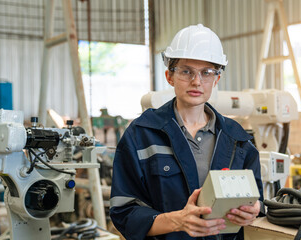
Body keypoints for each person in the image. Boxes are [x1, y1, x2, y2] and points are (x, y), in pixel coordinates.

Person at [110, 24, 264, 240]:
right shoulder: (141, 134)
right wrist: (176, 221)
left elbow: (257, 200)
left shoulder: (237, 138)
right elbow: (124, 211)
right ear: (169, 76)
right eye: (186, 71)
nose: (196, 81)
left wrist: (253, 210)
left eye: (206, 73)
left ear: (216, 79)